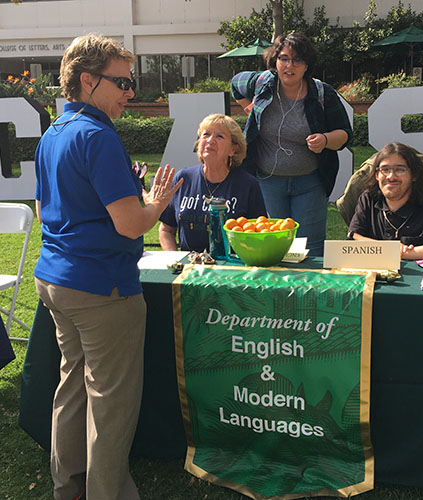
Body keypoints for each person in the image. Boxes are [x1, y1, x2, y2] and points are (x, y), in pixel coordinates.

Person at [34, 34, 182, 500]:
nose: (130, 92)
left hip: (56, 280)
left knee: (72, 387)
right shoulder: (98, 136)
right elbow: (130, 224)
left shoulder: (54, 132)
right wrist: (156, 203)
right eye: (122, 82)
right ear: (87, 80)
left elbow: (43, 209)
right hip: (102, 288)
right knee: (110, 404)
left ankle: (69, 487)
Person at [231, 32, 352, 256]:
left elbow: (345, 134)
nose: (290, 65)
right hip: (267, 183)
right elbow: (234, 84)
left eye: (297, 60)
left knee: (311, 249)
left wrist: (325, 140)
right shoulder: (262, 83)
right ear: (274, 61)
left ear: (307, 65)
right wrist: (249, 108)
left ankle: (311, 290)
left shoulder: (322, 92)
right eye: (284, 58)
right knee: (272, 246)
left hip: (311, 184)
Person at [158, 113, 267, 252]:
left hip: (233, 267)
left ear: (233, 149)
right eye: (206, 134)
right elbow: (166, 230)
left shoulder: (248, 185)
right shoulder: (183, 179)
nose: (210, 140)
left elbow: (259, 234)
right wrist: (174, 260)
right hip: (190, 268)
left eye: (219, 136)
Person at [347, 142, 423, 260]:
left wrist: (403, 253)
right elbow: (353, 238)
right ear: (377, 175)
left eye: (400, 169)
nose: (391, 176)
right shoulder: (368, 200)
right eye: (385, 170)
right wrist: (390, 249)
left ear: (414, 175)